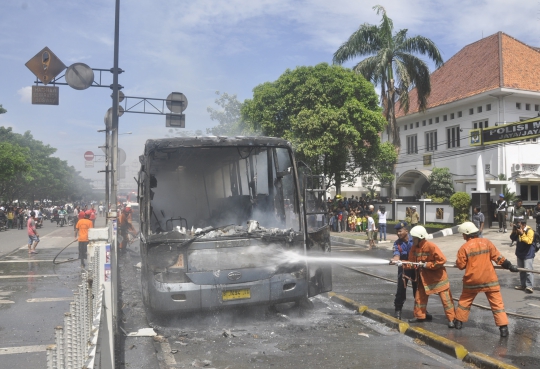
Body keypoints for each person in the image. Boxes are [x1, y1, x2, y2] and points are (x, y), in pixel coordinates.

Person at [454, 222, 518, 337]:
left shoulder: (464, 248)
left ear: (467, 234)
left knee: (465, 301)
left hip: (472, 281)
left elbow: (460, 265)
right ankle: (503, 328)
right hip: (490, 280)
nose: (462, 236)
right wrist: (509, 266)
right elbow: (498, 258)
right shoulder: (487, 243)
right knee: (497, 304)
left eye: (463, 234)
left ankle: (458, 322)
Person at [403, 226, 456, 328]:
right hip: (424, 279)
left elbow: (442, 260)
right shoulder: (414, 248)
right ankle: (419, 316)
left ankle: (452, 319)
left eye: (414, 238)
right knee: (419, 298)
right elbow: (412, 262)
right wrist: (402, 263)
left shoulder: (431, 247)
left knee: (446, 300)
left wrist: (427, 265)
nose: (412, 239)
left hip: (438, 279)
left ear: (420, 237)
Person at [389, 221, 417, 320]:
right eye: (397, 231)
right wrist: (395, 259)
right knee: (401, 290)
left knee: (418, 291)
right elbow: (396, 254)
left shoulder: (414, 240)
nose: (398, 233)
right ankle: (398, 310)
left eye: (400, 231)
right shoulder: (397, 243)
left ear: (406, 231)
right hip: (404, 269)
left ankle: (421, 311)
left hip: (415, 268)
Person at [510, 219, 535, 294]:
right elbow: (512, 238)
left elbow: (529, 241)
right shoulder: (518, 230)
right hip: (520, 253)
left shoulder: (530, 230)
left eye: (519, 224)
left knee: (528, 270)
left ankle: (529, 286)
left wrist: (522, 234)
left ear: (523, 224)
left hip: (528, 254)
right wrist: (514, 230)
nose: (518, 226)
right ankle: (523, 285)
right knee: (521, 270)